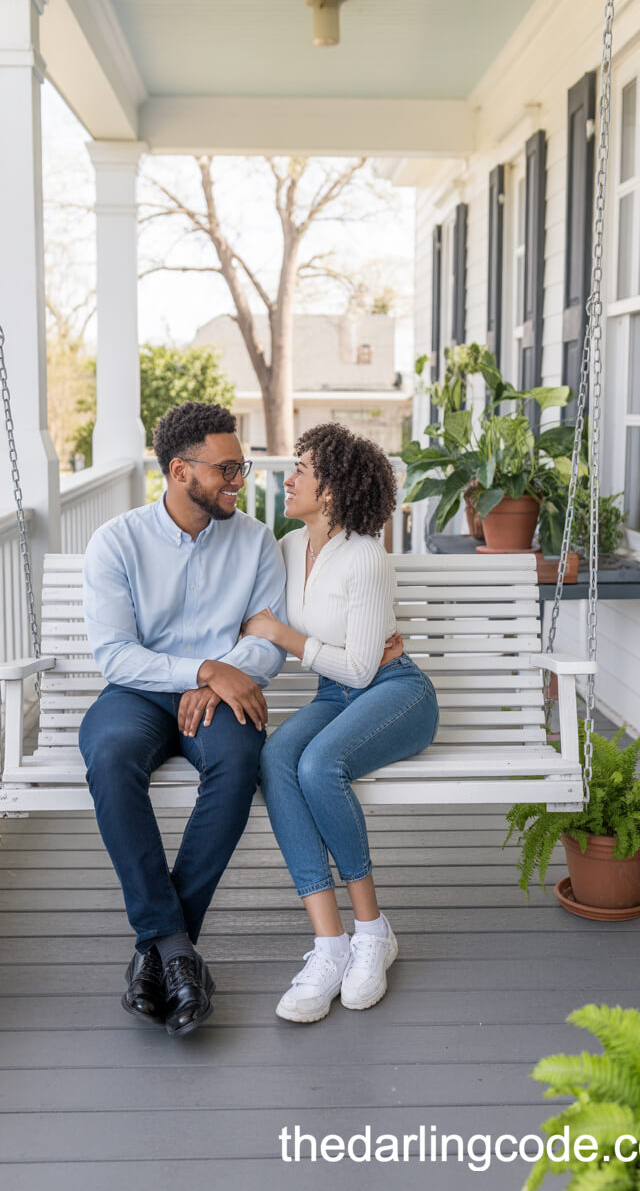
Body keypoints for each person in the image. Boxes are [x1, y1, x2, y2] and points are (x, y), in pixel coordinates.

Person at [79, 402, 286, 1037]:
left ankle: (160, 953)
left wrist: (220, 675)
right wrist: (201, 670)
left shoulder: (255, 540)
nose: (238, 480)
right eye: (226, 468)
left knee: (238, 759)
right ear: (179, 470)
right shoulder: (117, 541)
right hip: (139, 694)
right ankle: (175, 950)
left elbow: (268, 642)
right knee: (111, 757)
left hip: (219, 699)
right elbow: (114, 653)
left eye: (240, 466)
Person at [243, 423, 440, 1023]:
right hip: (338, 691)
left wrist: (282, 633)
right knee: (276, 760)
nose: (290, 477)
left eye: (302, 469)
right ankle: (329, 946)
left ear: (330, 490)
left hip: (395, 690)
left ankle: (373, 932)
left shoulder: (365, 555)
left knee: (319, 764)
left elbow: (360, 667)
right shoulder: (285, 547)